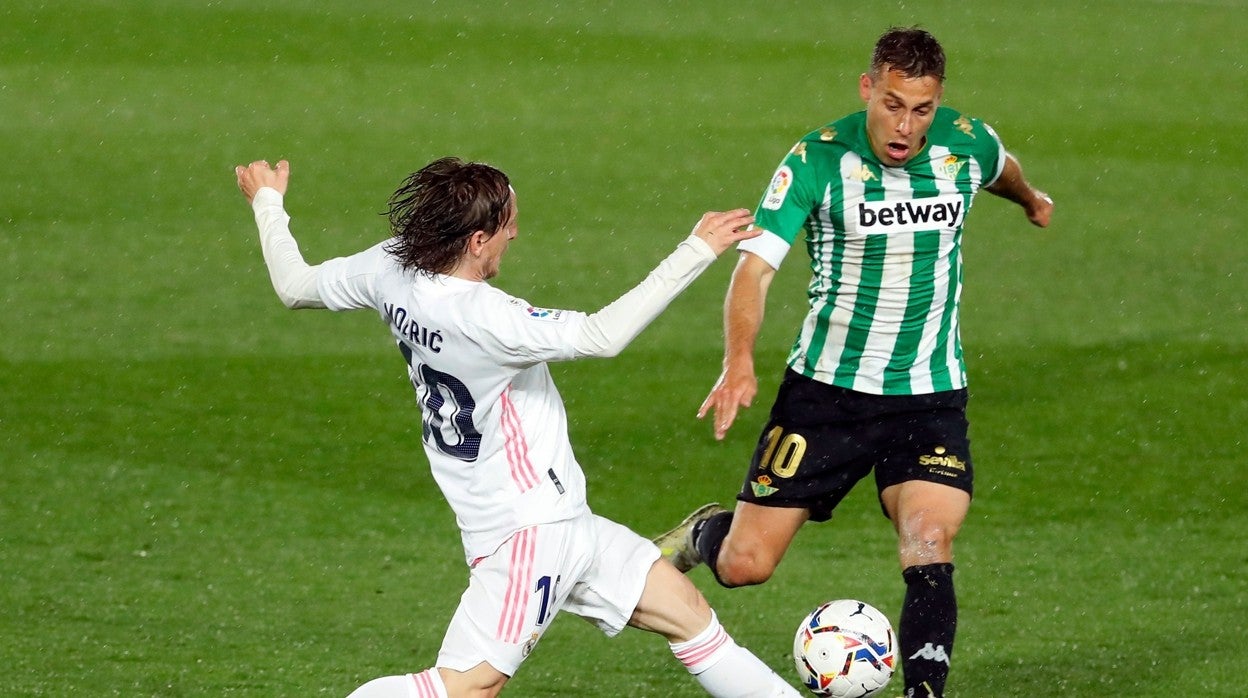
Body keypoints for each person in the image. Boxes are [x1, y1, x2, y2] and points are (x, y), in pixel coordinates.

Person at [234, 156, 803, 698]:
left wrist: (267, 202)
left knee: (692, 619)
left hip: (564, 521)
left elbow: (295, 285)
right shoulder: (485, 318)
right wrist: (695, 249)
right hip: (527, 530)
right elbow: (602, 336)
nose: (516, 234)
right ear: (477, 239)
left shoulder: (391, 267)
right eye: (508, 225)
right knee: (466, 687)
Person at [653, 27, 1053, 698]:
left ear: (938, 103)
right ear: (868, 88)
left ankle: (925, 692)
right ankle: (702, 534)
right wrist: (739, 360)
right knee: (747, 564)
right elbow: (754, 271)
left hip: (929, 396)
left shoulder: (965, 142)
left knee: (928, 540)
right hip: (826, 398)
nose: (906, 126)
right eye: (892, 104)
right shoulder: (816, 159)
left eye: (921, 110)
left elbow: (1001, 166)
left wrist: (1030, 198)